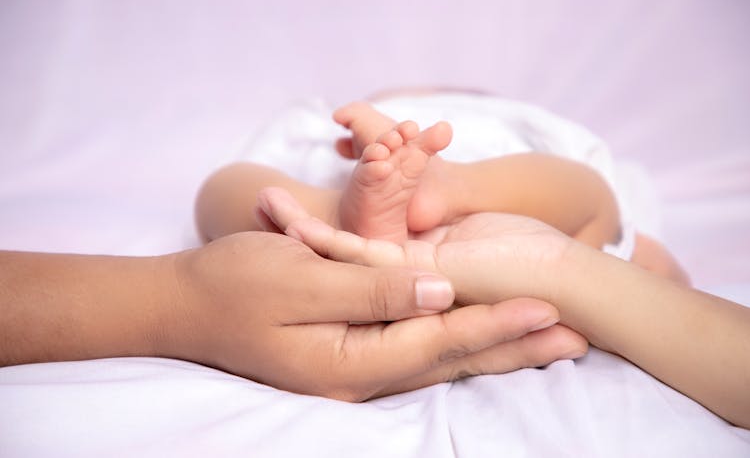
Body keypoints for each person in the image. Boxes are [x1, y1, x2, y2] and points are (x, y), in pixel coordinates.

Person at [256, 185, 750, 429]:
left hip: (483, 223)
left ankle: (376, 217)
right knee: (272, 200)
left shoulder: (525, 134)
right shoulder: (320, 145)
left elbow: (594, 198)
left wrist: (467, 183)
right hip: (352, 207)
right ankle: (338, 220)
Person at [0, 235, 587, 402]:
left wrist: (470, 183)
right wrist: (182, 295)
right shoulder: (309, 136)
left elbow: (594, 204)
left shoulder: (543, 135)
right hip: (333, 242)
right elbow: (223, 195)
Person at [195, 101, 688, 284]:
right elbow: (664, 273)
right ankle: (452, 188)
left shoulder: (348, 128)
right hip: (519, 232)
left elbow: (226, 189)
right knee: (593, 198)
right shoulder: (521, 127)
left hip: (365, 178)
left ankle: (336, 220)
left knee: (226, 191)